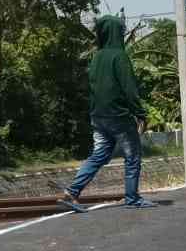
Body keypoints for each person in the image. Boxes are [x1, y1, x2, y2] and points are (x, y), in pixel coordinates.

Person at [61, 15, 156, 212]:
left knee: (100, 154)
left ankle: (72, 191)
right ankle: (132, 198)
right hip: (118, 117)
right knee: (132, 156)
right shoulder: (119, 56)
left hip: (97, 116)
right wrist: (140, 114)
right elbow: (129, 88)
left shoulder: (97, 57)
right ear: (117, 33)